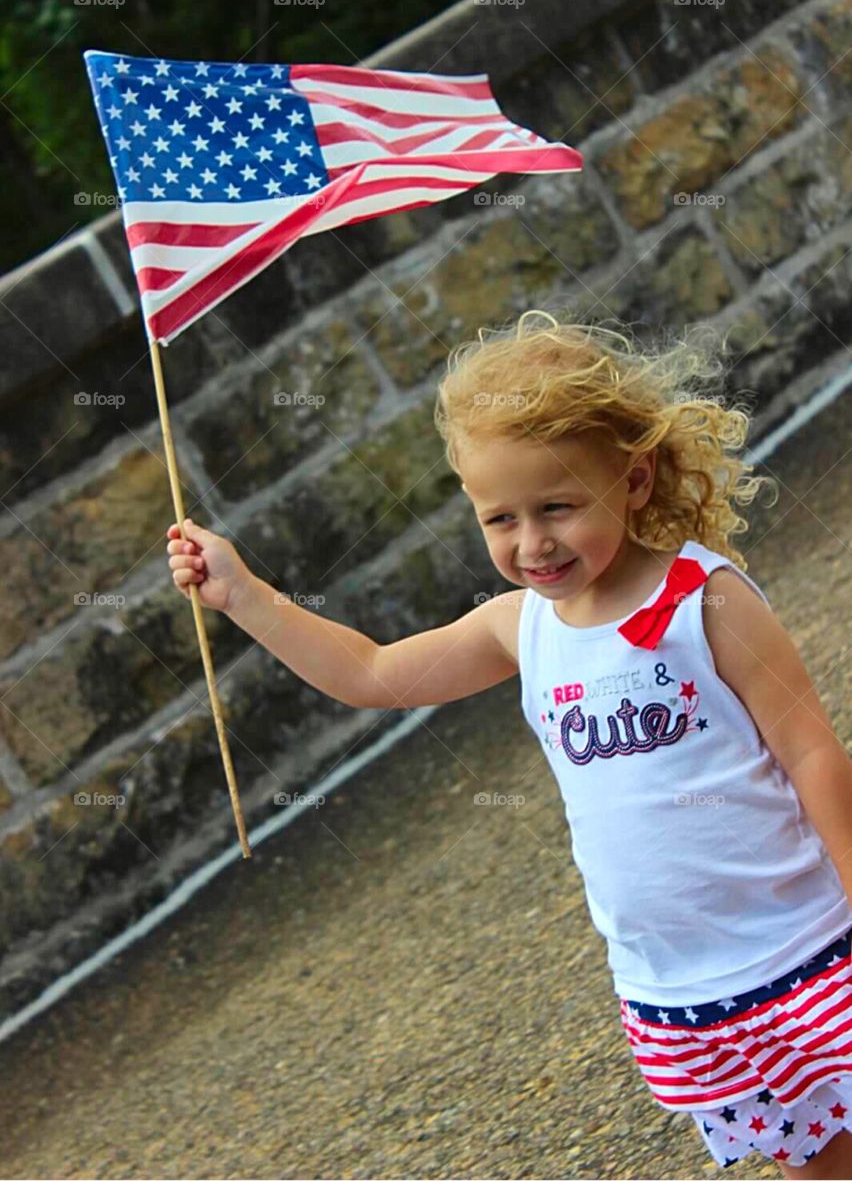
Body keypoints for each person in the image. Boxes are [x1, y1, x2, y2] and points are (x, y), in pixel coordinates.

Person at [165, 310, 852, 1178]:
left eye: (558, 507)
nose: (532, 544)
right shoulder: (518, 628)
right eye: (500, 519)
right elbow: (373, 674)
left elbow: (813, 753)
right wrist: (244, 595)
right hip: (683, 989)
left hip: (808, 946)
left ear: (634, 480)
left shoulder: (703, 601)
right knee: (811, 1159)